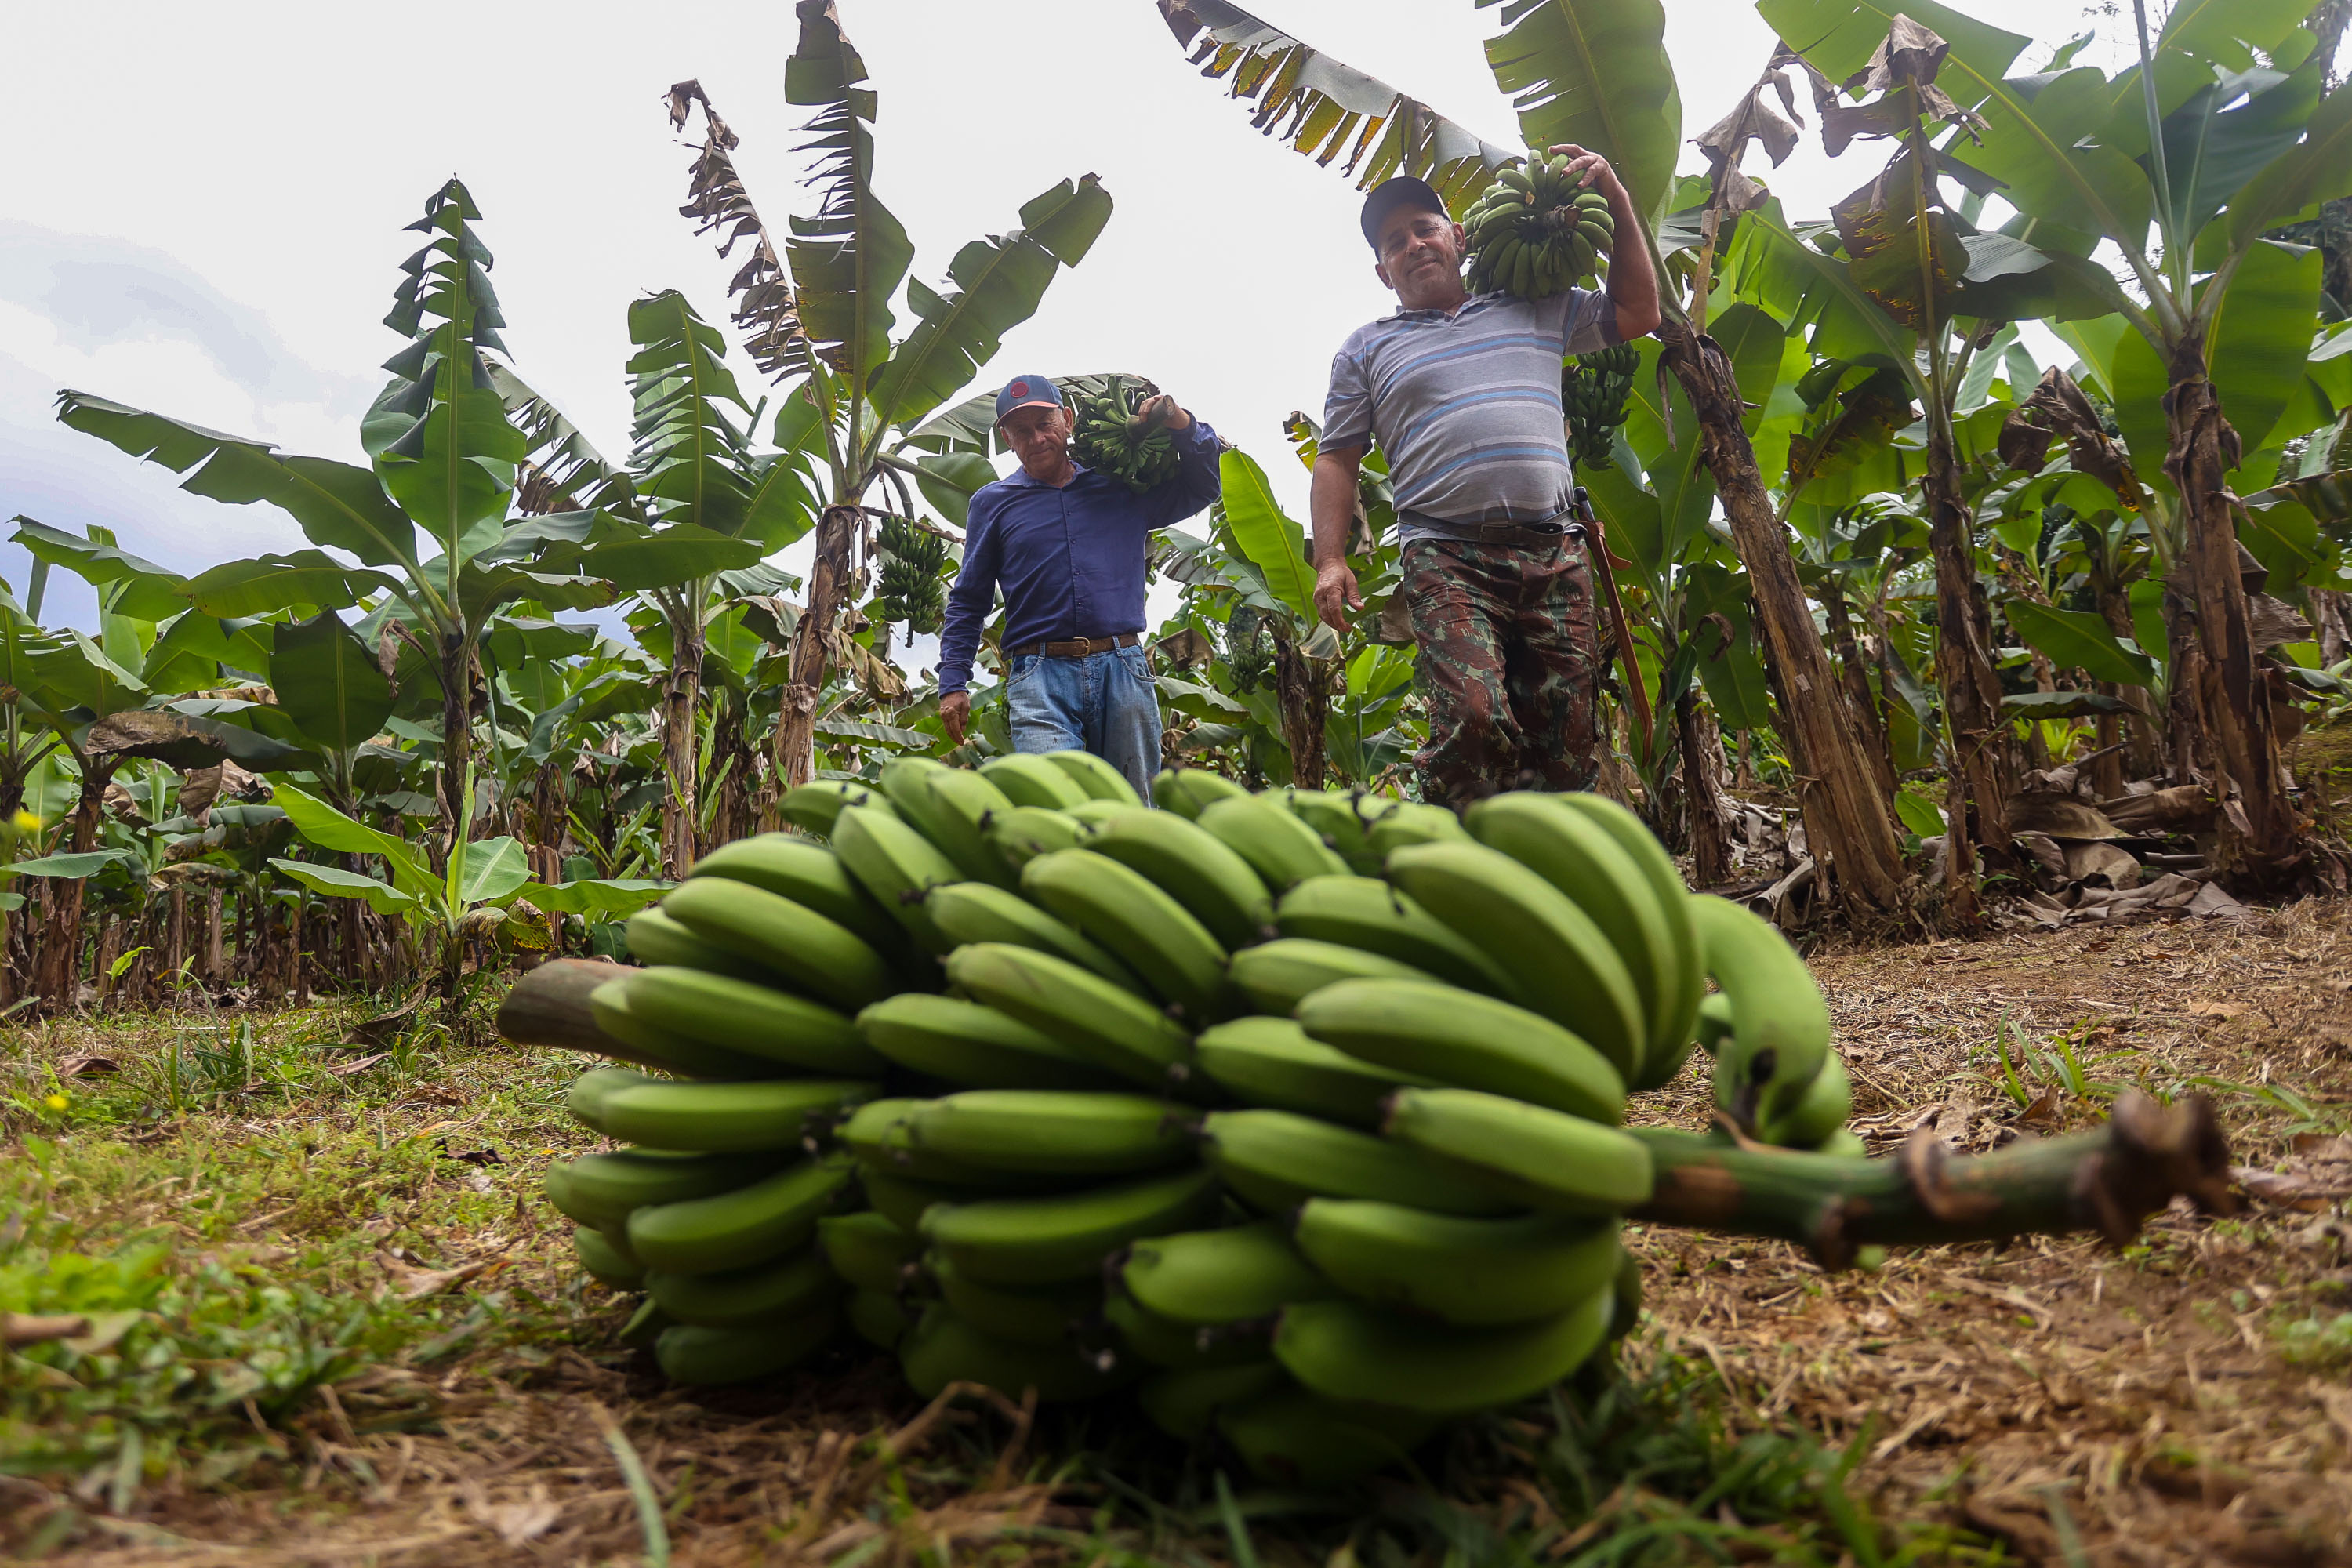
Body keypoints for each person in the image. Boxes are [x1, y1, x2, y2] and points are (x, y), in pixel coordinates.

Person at [1309, 149, 1661, 809]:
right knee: (1474, 716)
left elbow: (1638, 312)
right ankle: (1446, 866)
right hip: (1447, 553)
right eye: (1394, 243)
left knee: (1565, 741)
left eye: (1424, 228)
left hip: (1553, 548)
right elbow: (1336, 457)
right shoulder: (1366, 348)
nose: (1413, 245)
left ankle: (1556, 882)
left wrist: (1613, 192)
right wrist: (1331, 559)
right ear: (1383, 271)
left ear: (1458, 237)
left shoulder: (1537, 306)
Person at [938, 374, 1221, 800]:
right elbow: (969, 600)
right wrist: (953, 681)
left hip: (1121, 667)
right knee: (1053, 804)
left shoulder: (1121, 485)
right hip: (1039, 675)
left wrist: (1181, 423)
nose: (1036, 438)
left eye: (1045, 424)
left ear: (1067, 420)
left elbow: (1205, 485)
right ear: (1007, 438)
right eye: (1022, 431)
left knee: (1131, 808)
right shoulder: (992, 503)